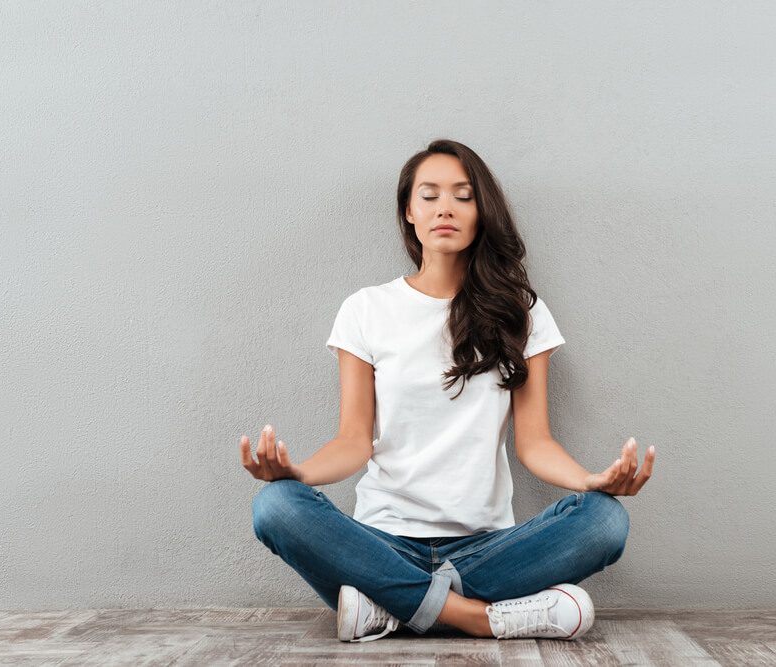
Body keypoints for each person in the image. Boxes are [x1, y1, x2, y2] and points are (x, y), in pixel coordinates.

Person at [241, 139, 655, 643]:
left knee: (604, 522)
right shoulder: (366, 310)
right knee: (277, 506)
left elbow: (535, 443)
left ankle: (390, 607)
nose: (445, 208)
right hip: (383, 541)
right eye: (430, 195)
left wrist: (592, 480)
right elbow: (353, 439)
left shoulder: (521, 312)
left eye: (463, 195)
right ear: (409, 213)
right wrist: (298, 474)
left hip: (488, 549)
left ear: (482, 213)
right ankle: (477, 617)